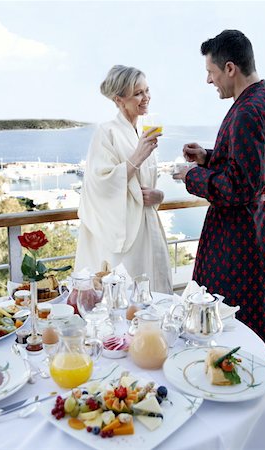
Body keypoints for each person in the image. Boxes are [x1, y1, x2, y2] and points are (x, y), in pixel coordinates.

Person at [174, 30, 265, 363]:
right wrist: (208, 156)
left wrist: (193, 176)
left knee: (230, 325)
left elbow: (241, 188)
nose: (209, 80)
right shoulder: (263, 103)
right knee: (254, 318)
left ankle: (234, 393)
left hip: (237, 243)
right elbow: (251, 167)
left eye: (211, 72)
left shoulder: (247, 112)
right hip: (254, 230)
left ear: (230, 68)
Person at [76, 65, 173, 294]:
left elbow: (145, 184)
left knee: (154, 294)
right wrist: (138, 156)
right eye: (138, 93)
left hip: (147, 228)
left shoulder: (142, 130)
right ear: (119, 100)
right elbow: (99, 183)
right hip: (124, 233)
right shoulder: (106, 132)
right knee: (127, 296)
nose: (146, 97)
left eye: (147, 90)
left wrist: (159, 196)